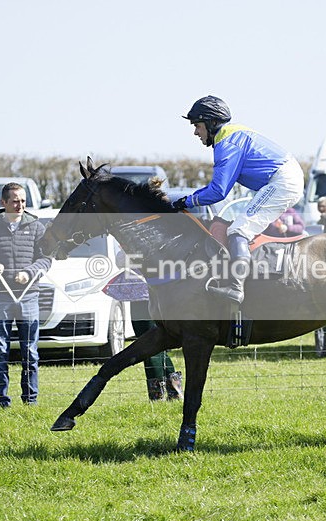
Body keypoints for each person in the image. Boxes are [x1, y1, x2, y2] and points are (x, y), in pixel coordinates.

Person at [172, 95, 304, 304]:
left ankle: (236, 288)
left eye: (197, 125)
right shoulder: (231, 135)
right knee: (240, 228)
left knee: (238, 230)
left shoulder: (227, 143)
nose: (195, 132)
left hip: (282, 181)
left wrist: (185, 202)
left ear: (211, 123)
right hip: (284, 178)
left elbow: (218, 191)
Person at [0, 183, 51, 408]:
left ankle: (31, 401)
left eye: (23, 201)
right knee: (0, 351)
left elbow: (46, 259)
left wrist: (29, 272)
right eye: (15, 201)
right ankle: (2, 403)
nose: (20, 205)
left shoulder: (37, 227)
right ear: (4, 203)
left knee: (30, 351)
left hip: (29, 296)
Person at [110, 249, 183, 401]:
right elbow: (120, 261)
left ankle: (159, 393)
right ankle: (172, 388)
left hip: (151, 293)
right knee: (150, 342)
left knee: (149, 343)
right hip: (138, 295)